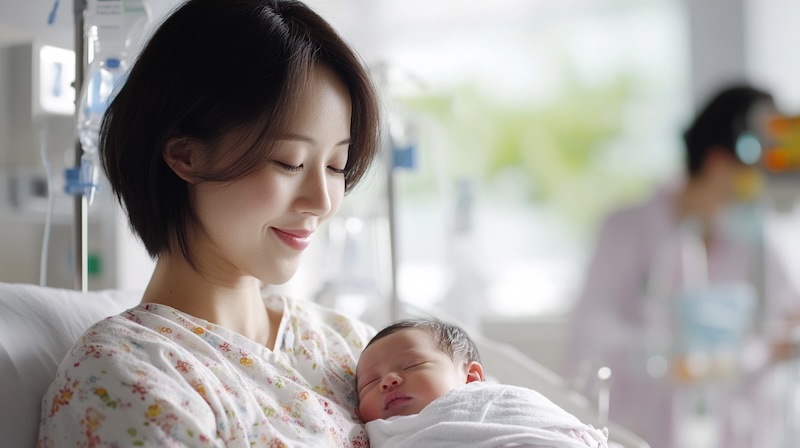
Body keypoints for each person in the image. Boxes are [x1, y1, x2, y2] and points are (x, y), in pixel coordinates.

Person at [37, 0, 382, 445]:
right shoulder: (129, 377)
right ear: (185, 155)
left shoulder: (352, 347)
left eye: (336, 165)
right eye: (289, 162)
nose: (322, 201)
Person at [565, 85, 800, 448]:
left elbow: (785, 321)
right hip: (638, 432)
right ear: (718, 161)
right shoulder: (628, 229)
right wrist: (664, 355)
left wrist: (770, 345)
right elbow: (591, 333)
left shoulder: (756, 240)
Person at [356, 318, 610, 448]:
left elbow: (546, 429)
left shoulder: (493, 401)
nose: (387, 381)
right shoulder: (382, 435)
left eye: (412, 365)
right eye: (370, 382)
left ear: (470, 378)